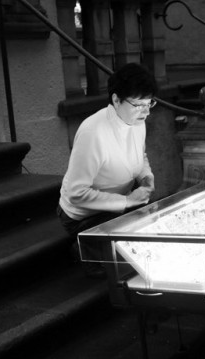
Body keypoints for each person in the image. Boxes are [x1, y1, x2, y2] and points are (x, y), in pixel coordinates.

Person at [57, 63, 158, 277]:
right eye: (138, 104)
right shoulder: (93, 132)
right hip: (85, 216)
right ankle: (85, 246)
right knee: (131, 264)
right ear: (115, 99)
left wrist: (146, 177)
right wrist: (127, 201)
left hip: (121, 206)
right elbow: (77, 193)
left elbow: (140, 157)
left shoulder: (138, 121)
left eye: (149, 103)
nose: (146, 111)